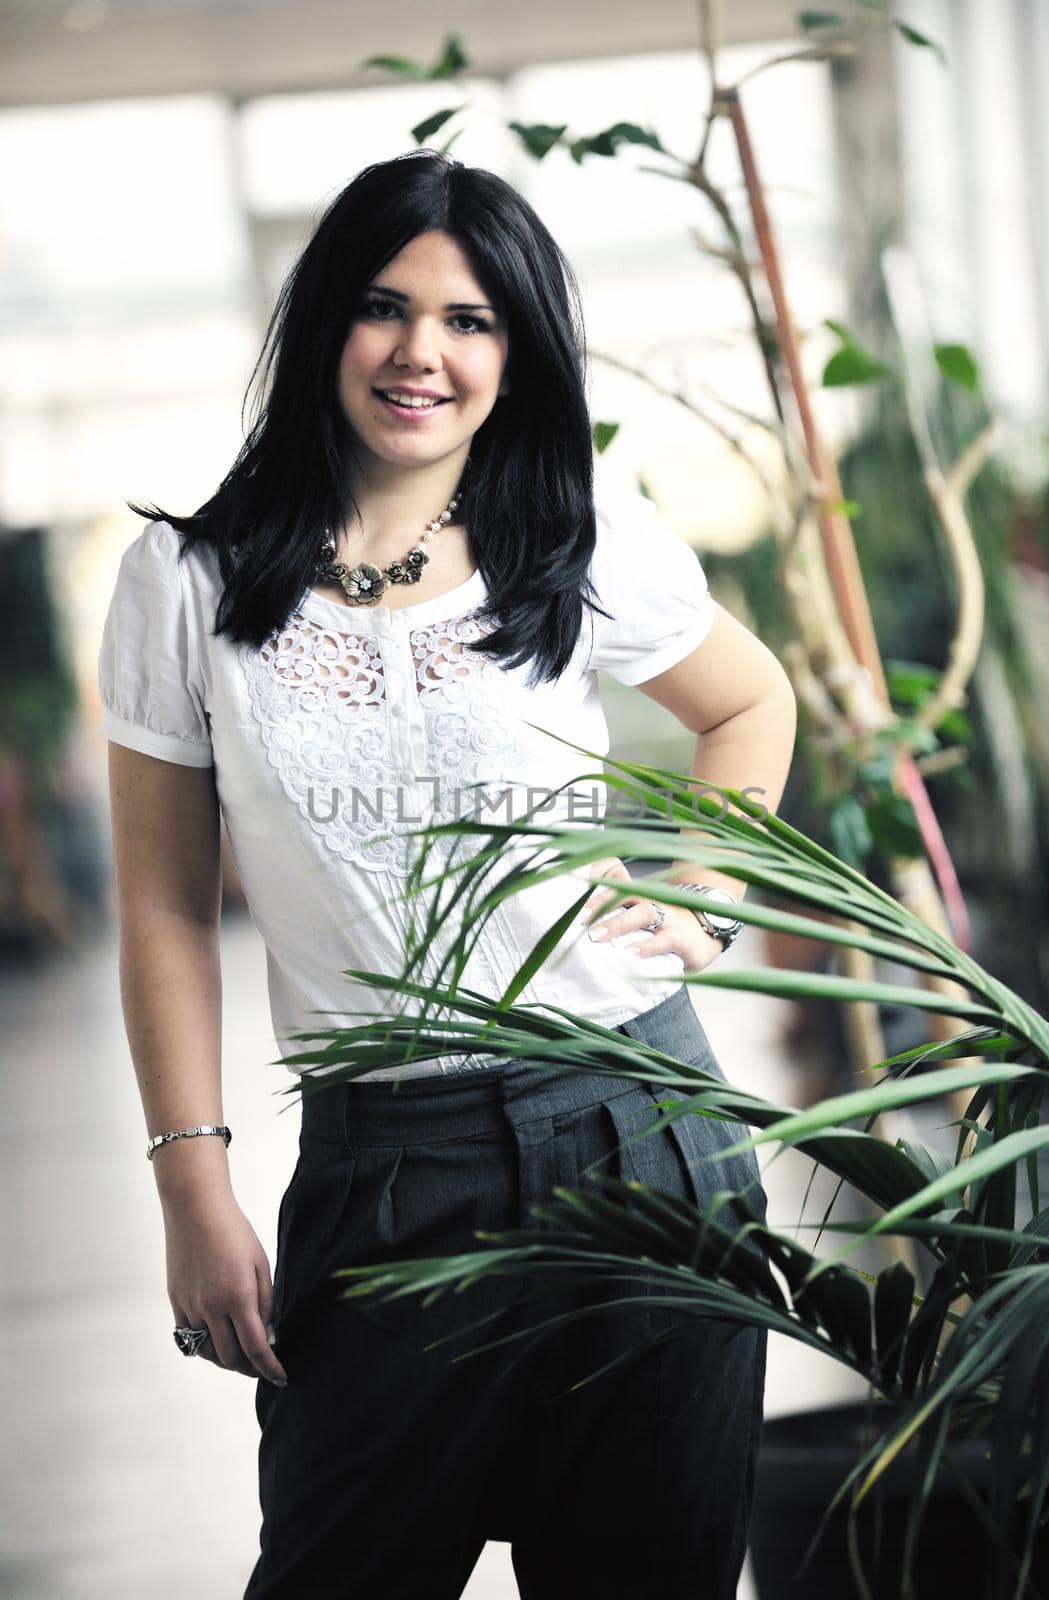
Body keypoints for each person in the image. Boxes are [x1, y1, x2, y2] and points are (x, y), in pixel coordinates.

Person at [98, 149, 796, 1600]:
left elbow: (752, 705)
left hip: (643, 1130)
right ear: (322, 330)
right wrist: (192, 1186)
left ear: (515, 347)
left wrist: (701, 887)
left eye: (471, 320)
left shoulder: (573, 533)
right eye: (384, 308)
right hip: (389, 1168)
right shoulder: (190, 585)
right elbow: (164, 902)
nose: (424, 352)